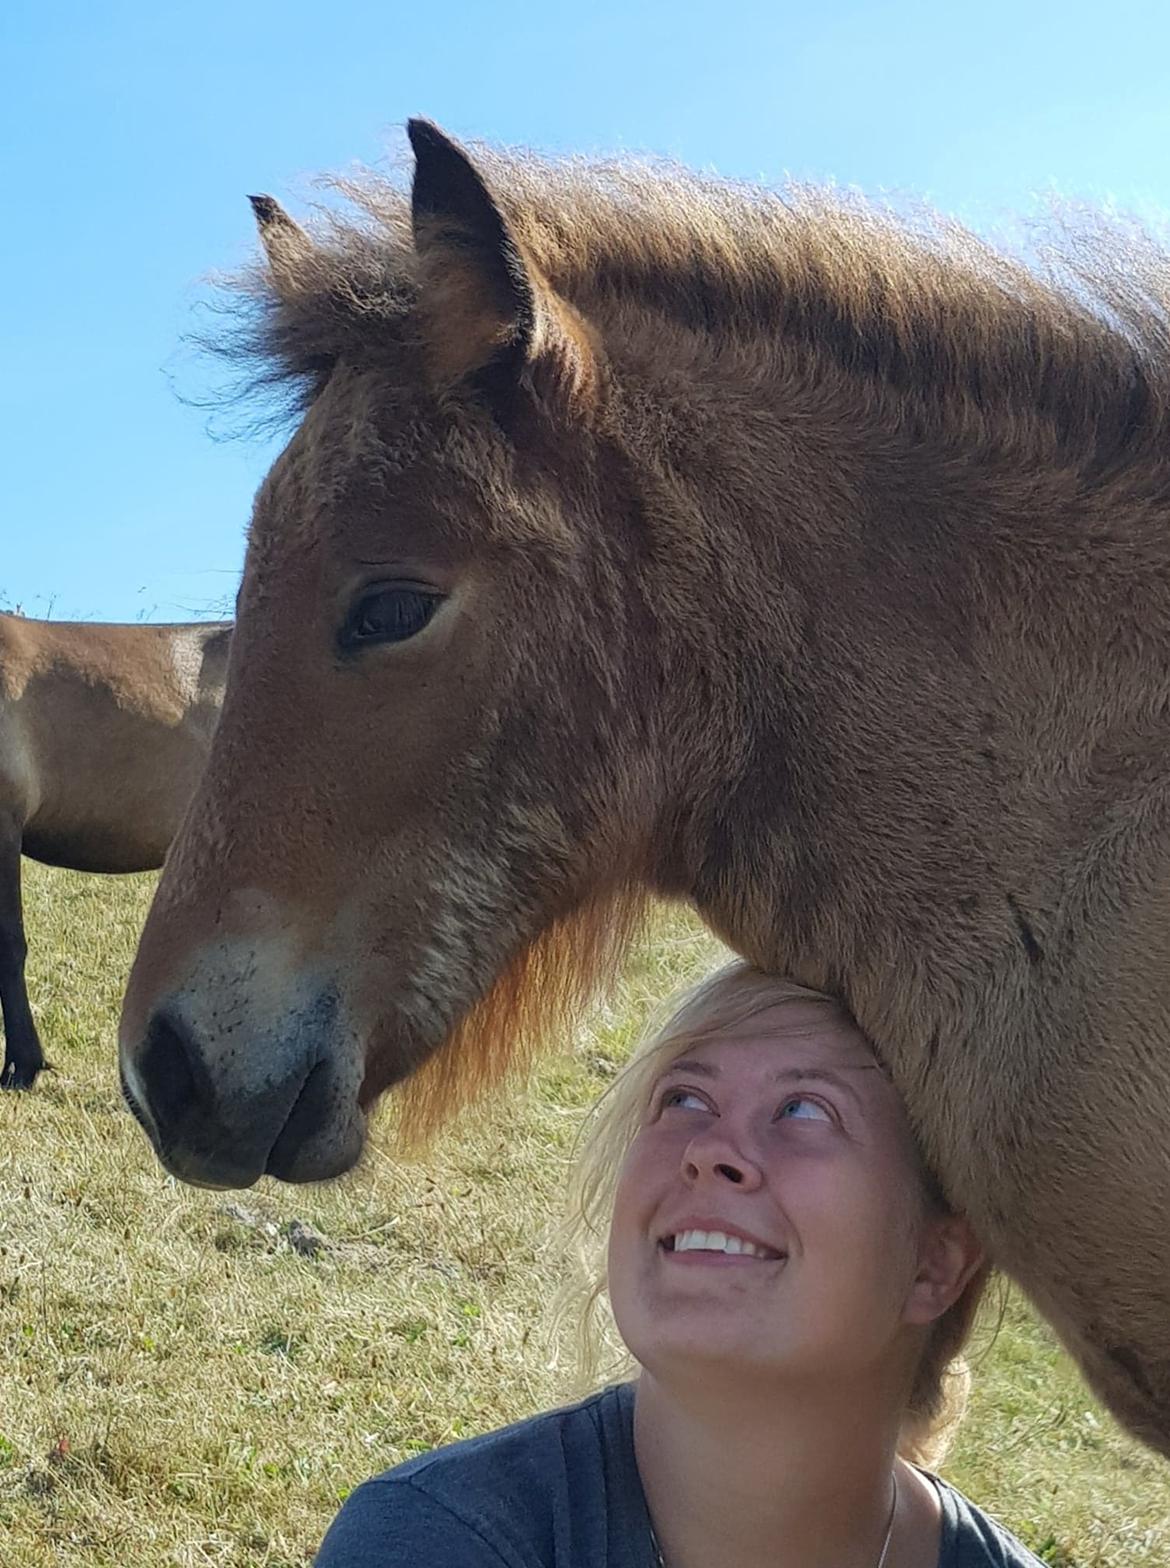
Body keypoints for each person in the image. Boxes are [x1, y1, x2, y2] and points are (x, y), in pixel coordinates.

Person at [314, 962, 1045, 1566]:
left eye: (804, 1110)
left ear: (935, 1264)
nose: (708, 1151)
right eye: (685, 1099)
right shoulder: (437, 1542)